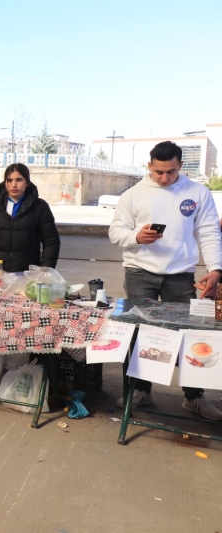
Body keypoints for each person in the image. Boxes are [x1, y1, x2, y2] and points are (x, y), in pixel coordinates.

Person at [109, 141, 222, 420]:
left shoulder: (197, 192)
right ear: (149, 165)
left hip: (181, 276)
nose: (164, 178)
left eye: (170, 171)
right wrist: (136, 237)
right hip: (139, 273)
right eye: (159, 171)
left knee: (190, 337)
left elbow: (209, 232)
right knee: (141, 334)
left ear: (181, 166)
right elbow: (115, 232)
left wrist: (216, 269)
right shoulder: (133, 195)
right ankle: (141, 391)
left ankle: (194, 397)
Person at [0, 163, 60, 277]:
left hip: (28, 275)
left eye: (19, 180)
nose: (14, 185)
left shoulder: (40, 208)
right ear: (5, 182)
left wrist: (44, 271)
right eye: (9, 180)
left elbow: (51, 242)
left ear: (27, 182)